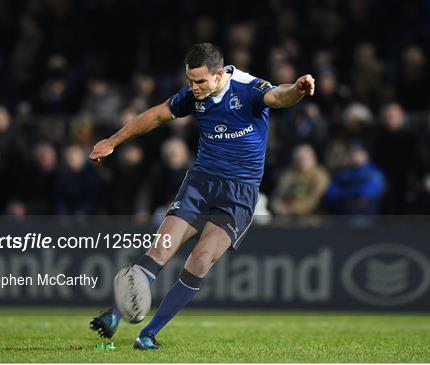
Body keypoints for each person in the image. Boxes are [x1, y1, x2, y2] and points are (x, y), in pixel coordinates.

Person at [88, 43, 315, 350]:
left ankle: (148, 334)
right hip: (201, 184)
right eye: (190, 81)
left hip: (239, 194)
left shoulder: (248, 89)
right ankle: (115, 315)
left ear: (219, 74)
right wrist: (113, 141)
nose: (193, 88)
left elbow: (279, 96)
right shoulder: (194, 97)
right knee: (161, 249)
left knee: (202, 259)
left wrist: (298, 90)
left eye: (200, 82)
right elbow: (155, 116)